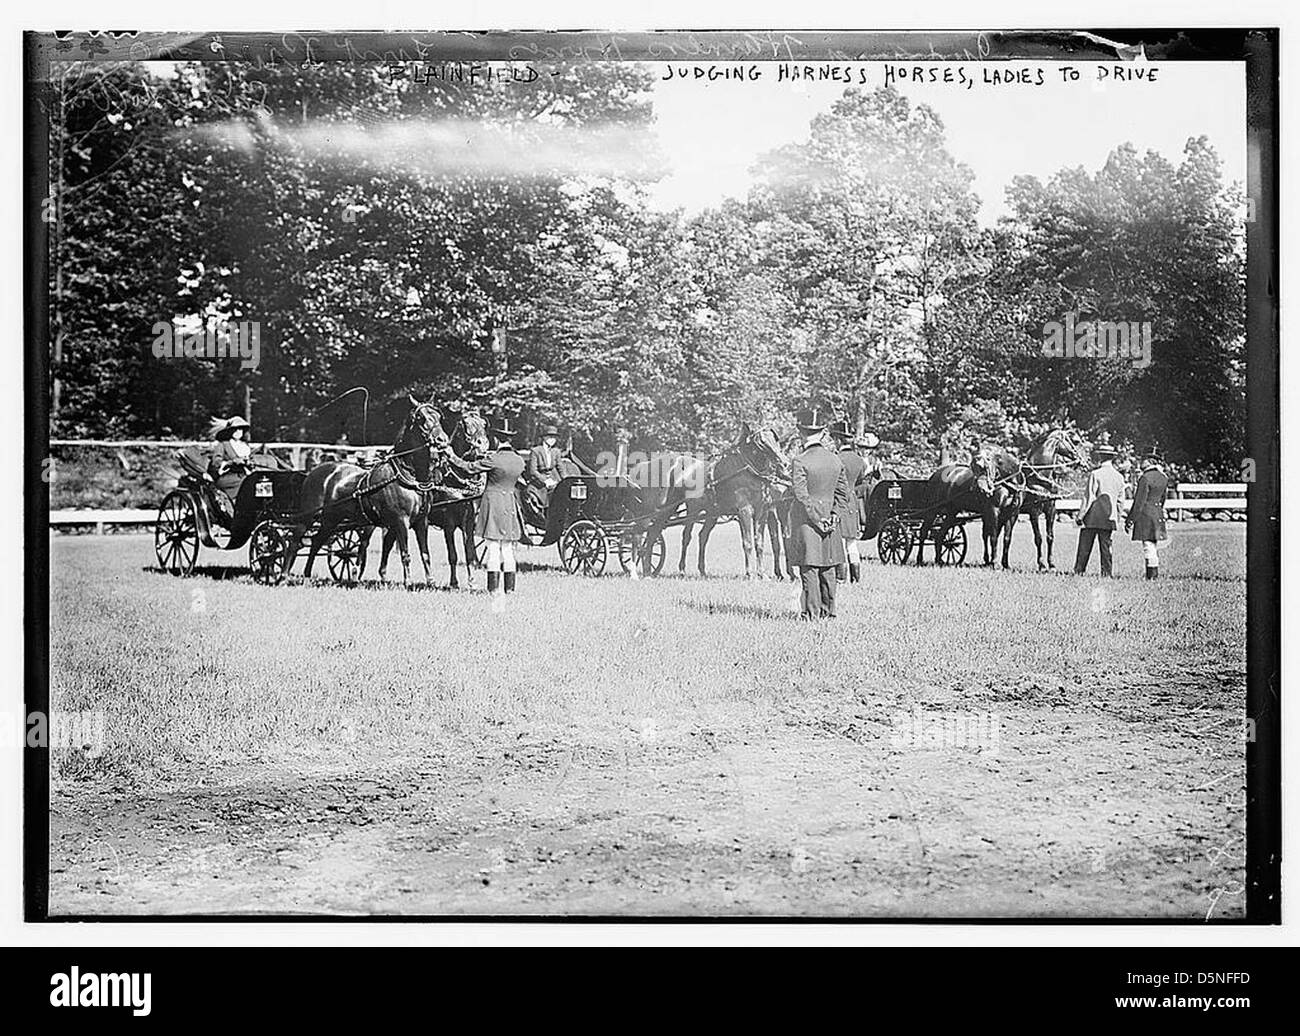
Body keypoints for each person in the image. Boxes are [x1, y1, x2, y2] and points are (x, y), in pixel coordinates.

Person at [445, 416, 527, 597]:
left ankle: (493, 590)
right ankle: (510, 590)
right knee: (507, 549)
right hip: (510, 505)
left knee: (493, 548)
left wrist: (451, 455)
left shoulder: (493, 459)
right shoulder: (519, 461)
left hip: (493, 505)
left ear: (496, 440)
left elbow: (468, 467)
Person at [787, 407, 850, 619]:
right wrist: (833, 517)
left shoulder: (800, 461)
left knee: (810, 569)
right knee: (828, 568)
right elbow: (843, 495)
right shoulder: (835, 460)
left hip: (808, 523)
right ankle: (829, 613)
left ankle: (811, 615)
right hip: (832, 523)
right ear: (822, 433)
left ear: (800, 433)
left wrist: (817, 519)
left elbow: (801, 496)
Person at [1073, 433, 1127, 577]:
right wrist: (1117, 516)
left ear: (1100, 457)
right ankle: (1107, 573)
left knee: (1084, 547)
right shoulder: (1119, 477)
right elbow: (1121, 501)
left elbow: (1089, 497)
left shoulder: (1095, 474)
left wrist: (1080, 516)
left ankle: (1079, 571)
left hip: (1092, 517)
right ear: (1112, 458)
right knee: (1106, 548)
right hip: (1108, 518)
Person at [829, 419, 867, 584]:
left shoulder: (835, 459)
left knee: (838, 541)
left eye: (834, 440)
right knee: (851, 543)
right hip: (852, 502)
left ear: (838, 440)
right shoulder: (859, 460)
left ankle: (840, 577)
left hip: (837, 501)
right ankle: (856, 578)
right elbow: (861, 482)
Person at [1126, 446, 1169, 579]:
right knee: (1153, 545)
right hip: (1157, 513)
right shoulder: (1163, 477)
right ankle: (1153, 574)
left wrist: (1130, 519)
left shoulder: (1145, 478)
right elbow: (1163, 499)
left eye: (1143, 459)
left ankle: (1151, 576)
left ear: (1150, 461)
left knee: (1148, 546)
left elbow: (1139, 502)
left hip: (1146, 515)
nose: (1140, 462)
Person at [524, 424, 564, 520]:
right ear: (544, 438)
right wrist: (545, 481)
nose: (552, 439)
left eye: (554, 437)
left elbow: (560, 468)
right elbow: (533, 471)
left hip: (553, 480)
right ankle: (540, 518)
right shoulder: (536, 451)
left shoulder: (556, 451)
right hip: (539, 481)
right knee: (530, 493)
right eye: (550, 437)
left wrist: (565, 480)